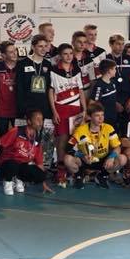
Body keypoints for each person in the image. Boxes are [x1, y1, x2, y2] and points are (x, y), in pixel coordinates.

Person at [15, 34, 55, 170]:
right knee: (24, 139)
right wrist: (22, 109)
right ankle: (22, 167)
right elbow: (19, 89)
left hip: (44, 108)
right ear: (33, 46)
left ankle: (43, 168)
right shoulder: (22, 64)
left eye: (45, 46)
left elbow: (50, 89)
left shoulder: (48, 65)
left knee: (45, 140)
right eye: (40, 46)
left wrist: (51, 110)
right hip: (27, 108)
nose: (43, 49)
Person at [64, 102, 127, 189]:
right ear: (90, 117)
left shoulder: (108, 128)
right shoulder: (81, 130)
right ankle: (79, 176)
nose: (101, 118)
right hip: (86, 160)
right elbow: (68, 148)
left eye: (102, 115)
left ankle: (102, 176)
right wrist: (82, 156)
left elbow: (117, 147)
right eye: (97, 115)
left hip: (103, 160)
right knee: (67, 159)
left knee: (122, 159)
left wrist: (111, 157)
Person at [50, 42, 87, 188]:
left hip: (76, 110)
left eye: (71, 53)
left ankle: (74, 170)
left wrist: (84, 109)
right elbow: (51, 92)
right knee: (62, 140)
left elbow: (81, 90)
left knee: (75, 140)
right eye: (65, 54)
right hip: (61, 108)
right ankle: (60, 172)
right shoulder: (54, 70)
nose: (69, 56)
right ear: (60, 55)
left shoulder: (76, 69)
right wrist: (54, 111)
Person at [0, 109, 48, 196]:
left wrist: (43, 182)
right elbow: (0, 144)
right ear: (29, 121)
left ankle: (19, 178)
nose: (40, 122)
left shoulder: (37, 138)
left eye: (41, 119)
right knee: (13, 164)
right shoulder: (16, 131)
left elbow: (39, 162)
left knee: (41, 175)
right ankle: (8, 182)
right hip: (8, 163)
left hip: (22, 165)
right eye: (37, 119)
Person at [106, 34, 130, 115]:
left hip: (128, 99)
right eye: (118, 44)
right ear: (111, 44)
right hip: (111, 98)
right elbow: (103, 82)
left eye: (122, 44)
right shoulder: (106, 59)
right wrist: (113, 101)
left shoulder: (129, 59)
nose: (121, 47)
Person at [0, 40, 18, 138]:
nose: (15, 53)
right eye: (11, 52)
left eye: (15, 50)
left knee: (19, 136)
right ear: (3, 55)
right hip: (2, 108)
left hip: (17, 108)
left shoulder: (21, 66)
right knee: (3, 136)